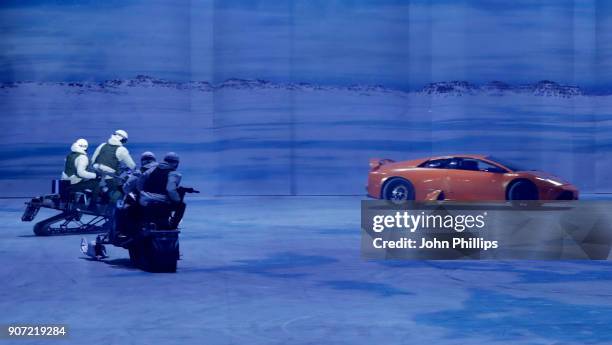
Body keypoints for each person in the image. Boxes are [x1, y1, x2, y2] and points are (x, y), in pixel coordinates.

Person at [138, 152, 185, 229]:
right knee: (182, 205)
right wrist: (177, 200)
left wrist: (142, 193)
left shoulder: (151, 169)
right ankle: (173, 226)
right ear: (176, 163)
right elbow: (170, 190)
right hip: (162, 200)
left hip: (145, 199)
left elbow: (140, 182)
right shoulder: (174, 174)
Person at [91, 130, 136, 201]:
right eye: (124, 141)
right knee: (120, 190)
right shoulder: (121, 149)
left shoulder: (102, 145)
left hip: (95, 173)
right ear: (122, 139)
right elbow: (132, 165)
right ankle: (112, 208)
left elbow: (92, 160)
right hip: (109, 177)